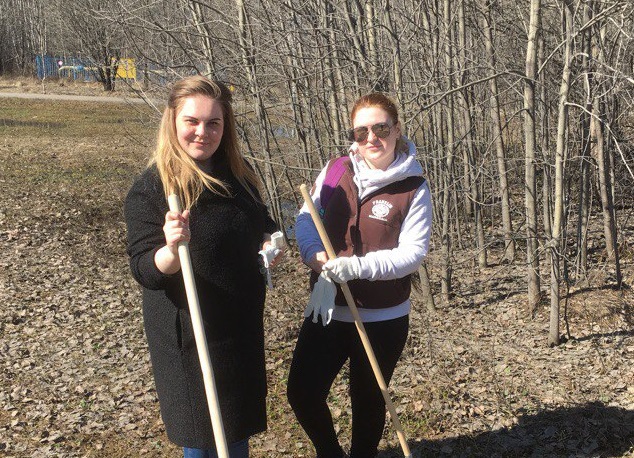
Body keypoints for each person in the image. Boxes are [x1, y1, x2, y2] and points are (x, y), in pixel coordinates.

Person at [124, 75, 282, 458]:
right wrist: (171, 248)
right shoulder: (153, 188)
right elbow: (145, 268)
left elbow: (264, 223)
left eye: (214, 122)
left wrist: (269, 242)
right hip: (190, 336)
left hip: (238, 331)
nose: (202, 132)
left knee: (235, 436)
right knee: (202, 440)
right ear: (172, 122)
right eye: (191, 121)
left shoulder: (238, 178)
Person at [287, 93, 432, 458]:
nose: (372, 137)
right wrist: (313, 254)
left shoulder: (413, 187)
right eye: (361, 130)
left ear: (396, 129)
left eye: (381, 127)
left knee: (367, 400)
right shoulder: (336, 170)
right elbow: (307, 217)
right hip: (328, 308)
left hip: (382, 317)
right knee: (302, 392)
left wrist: (357, 267)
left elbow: (412, 255)